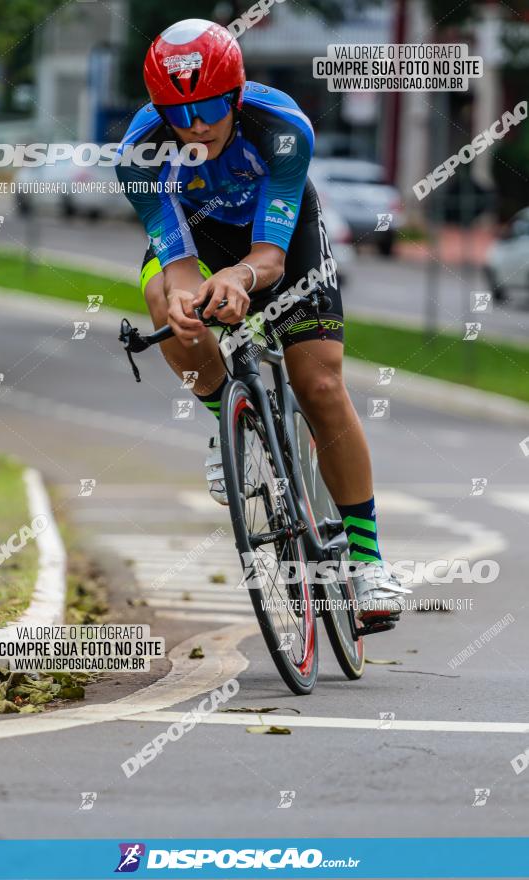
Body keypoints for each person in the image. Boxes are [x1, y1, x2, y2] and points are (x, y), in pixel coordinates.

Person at [116, 18, 409, 622]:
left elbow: (271, 260)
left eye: (209, 106)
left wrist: (241, 278)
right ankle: (227, 415)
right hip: (201, 235)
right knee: (162, 303)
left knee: (321, 384)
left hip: (280, 236)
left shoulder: (281, 128)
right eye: (179, 110)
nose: (196, 124)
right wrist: (187, 295)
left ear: (236, 93)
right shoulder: (137, 154)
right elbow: (177, 262)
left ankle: (366, 559)